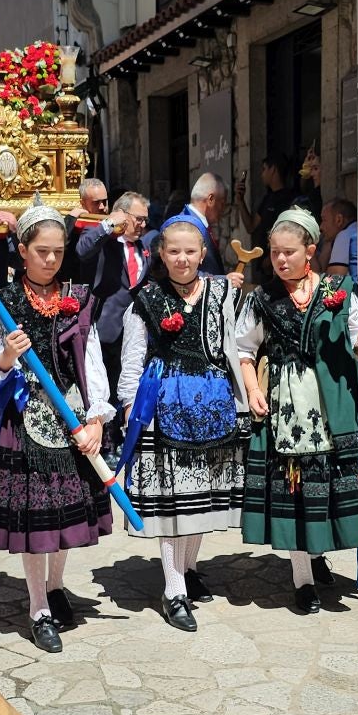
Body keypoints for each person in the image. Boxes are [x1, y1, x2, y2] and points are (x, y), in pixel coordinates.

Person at [236, 207, 358, 613]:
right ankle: (302, 580)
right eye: (274, 252)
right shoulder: (262, 298)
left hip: (334, 402)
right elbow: (244, 350)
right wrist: (252, 390)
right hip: (287, 409)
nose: (280, 260)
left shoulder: (340, 291)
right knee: (296, 490)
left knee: (330, 489)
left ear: (311, 250)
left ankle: (318, 553)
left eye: (289, 252)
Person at [0, 205, 113, 652]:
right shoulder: (4, 300)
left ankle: (57, 587)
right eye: (41, 251)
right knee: (35, 523)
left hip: (73, 420)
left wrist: (96, 416)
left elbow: (92, 360)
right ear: (22, 251)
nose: (51, 260)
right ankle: (38, 606)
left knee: (63, 517)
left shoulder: (78, 297)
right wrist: (7, 356)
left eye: (58, 251)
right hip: (27, 423)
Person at [118, 213, 248, 633]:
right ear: (161, 252)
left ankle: (188, 570)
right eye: (173, 250)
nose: (182, 258)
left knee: (199, 497)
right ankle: (173, 589)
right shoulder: (146, 300)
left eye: (190, 251)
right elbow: (133, 359)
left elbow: (234, 346)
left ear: (203, 253)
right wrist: (128, 406)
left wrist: (243, 399)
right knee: (173, 504)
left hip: (211, 405)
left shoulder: (221, 293)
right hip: (163, 404)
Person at [72, 189, 151, 401]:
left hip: (134, 334)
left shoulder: (144, 247)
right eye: (139, 219)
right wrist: (108, 224)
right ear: (122, 215)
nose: (143, 225)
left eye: (145, 220)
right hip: (105, 332)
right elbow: (82, 250)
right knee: (103, 396)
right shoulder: (102, 240)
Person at [235, 155, 295, 254]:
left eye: (264, 169)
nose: (262, 174)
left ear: (273, 170)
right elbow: (250, 227)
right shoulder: (267, 198)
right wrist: (240, 201)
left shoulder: (290, 199)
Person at [186, 173, 234, 280]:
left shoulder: (197, 223)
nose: (223, 210)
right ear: (211, 199)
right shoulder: (186, 227)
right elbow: (182, 271)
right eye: (222, 203)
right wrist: (222, 280)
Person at [64, 177, 109, 279]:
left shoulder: (112, 222)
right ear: (82, 203)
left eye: (104, 201)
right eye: (96, 202)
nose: (102, 207)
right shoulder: (74, 225)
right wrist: (71, 218)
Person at [323, 199, 357, 282]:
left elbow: (334, 282)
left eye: (324, 220)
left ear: (339, 220)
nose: (321, 227)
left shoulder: (345, 235)